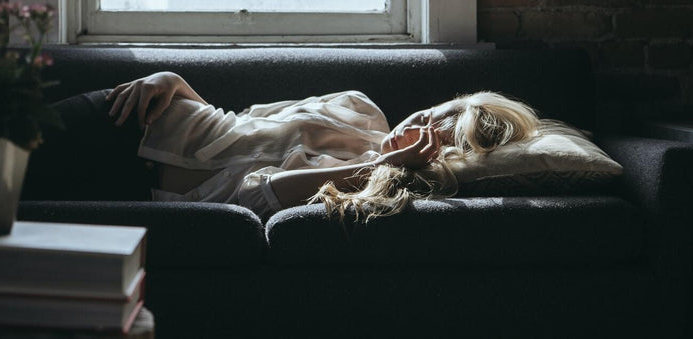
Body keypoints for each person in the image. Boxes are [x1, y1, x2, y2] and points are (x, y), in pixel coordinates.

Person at [104, 71, 540, 221]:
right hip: (136, 117)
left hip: (129, 191)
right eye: (425, 115)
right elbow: (242, 121)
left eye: (429, 138)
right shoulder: (359, 107)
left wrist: (387, 164)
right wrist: (173, 83)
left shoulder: (377, 186)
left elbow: (257, 194)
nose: (413, 127)